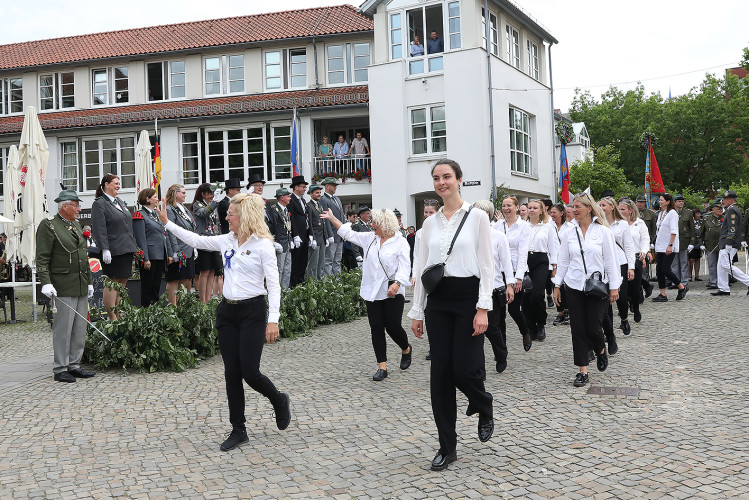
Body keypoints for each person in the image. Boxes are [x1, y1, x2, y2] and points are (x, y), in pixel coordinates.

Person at [158, 193, 291, 451]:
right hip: (227, 314)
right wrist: (167, 223)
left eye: (231, 213)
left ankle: (278, 399)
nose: (227, 217)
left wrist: (273, 320)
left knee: (250, 372)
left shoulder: (263, 245)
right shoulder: (226, 240)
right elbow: (197, 239)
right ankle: (238, 429)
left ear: (245, 216)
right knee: (232, 373)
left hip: (253, 311)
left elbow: (274, 285)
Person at [409, 159, 494, 472]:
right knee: (440, 377)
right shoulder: (427, 226)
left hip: (469, 298)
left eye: (447, 177)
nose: (441, 182)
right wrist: (417, 311)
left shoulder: (478, 218)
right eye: (436, 178)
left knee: (463, 369)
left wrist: (483, 307)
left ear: (459, 179)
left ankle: (483, 404)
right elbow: (420, 271)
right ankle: (448, 446)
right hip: (438, 302)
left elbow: (487, 265)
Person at [321, 208, 412, 381]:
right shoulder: (370, 238)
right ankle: (382, 366)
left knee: (393, 326)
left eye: (375, 222)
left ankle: (406, 348)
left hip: (392, 289)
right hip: (372, 291)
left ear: (385, 224)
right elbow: (348, 234)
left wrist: (398, 283)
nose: (372, 225)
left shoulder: (401, 242)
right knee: (376, 328)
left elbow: (405, 266)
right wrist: (332, 218)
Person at [553, 192, 621, 388]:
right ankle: (582, 370)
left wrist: (614, 287)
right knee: (578, 329)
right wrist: (557, 285)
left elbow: (611, 261)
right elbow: (563, 260)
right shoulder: (567, 233)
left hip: (597, 286)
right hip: (573, 285)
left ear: (589, 208)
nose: (574, 210)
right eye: (573, 207)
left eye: (578, 207)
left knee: (593, 326)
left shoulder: (603, 232)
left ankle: (601, 350)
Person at [37, 190, 95, 383]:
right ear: (65, 206)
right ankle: (60, 367)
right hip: (62, 284)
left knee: (79, 327)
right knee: (63, 328)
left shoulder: (76, 226)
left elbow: (83, 257)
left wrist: (89, 281)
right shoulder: (49, 226)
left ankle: (74, 364)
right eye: (76, 205)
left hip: (79, 283)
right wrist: (45, 282)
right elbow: (43, 257)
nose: (79, 209)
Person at [473, 200, 514, 374]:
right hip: (473, 288)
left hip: (494, 288)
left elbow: (506, 264)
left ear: (487, 216)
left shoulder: (498, 236)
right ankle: (478, 366)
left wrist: (510, 285)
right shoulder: (469, 237)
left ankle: (501, 353)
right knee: (474, 331)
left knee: (491, 328)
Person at [91, 173, 136, 321]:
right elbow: (99, 228)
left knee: (122, 283)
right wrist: (104, 248)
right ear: (106, 185)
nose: (118, 186)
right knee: (112, 283)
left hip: (126, 248)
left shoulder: (119, 202)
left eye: (119, 183)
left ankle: (120, 313)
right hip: (113, 250)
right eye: (115, 183)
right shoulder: (99, 203)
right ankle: (112, 317)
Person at [493, 196, 532, 352]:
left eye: (509, 205)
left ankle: (525, 331)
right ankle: (502, 348)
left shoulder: (524, 227)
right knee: (499, 312)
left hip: (516, 271)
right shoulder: (497, 225)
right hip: (499, 272)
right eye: (503, 205)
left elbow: (523, 253)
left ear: (517, 207)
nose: (506, 208)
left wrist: (518, 277)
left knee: (513, 309)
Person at [599, 197, 635, 347]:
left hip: (620, 263)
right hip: (605, 265)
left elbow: (628, 246)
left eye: (603, 205)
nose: (601, 207)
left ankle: (624, 319)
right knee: (607, 299)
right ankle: (609, 332)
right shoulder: (598, 224)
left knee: (621, 297)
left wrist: (631, 267)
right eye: (599, 205)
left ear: (612, 207)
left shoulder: (622, 224)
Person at [522, 200, 558, 342]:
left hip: (541, 261)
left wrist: (555, 267)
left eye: (535, 208)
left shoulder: (547, 227)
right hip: (524, 261)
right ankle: (530, 328)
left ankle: (541, 324)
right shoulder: (522, 226)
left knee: (537, 294)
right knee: (526, 296)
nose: (531, 210)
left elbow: (553, 247)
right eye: (529, 208)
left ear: (541, 210)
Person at [132, 188, 173, 307]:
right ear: (147, 199)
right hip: (149, 256)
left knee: (156, 286)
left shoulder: (155, 214)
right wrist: (145, 258)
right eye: (155, 197)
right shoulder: (139, 215)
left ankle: (155, 311)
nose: (157, 199)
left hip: (159, 254)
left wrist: (168, 253)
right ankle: (146, 313)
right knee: (147, 287)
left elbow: (164, 234)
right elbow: (140, 238)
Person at [412, 199, 440, 360]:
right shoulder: (420, 233)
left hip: (440, 274)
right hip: (427, 275)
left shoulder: (442, 229)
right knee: (429, 312)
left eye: (431, 212)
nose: (427, 215)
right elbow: (417, 256)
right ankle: (433, 346)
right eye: (426, 212)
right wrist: (415, 275)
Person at [164, 184, 197, 306]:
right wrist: (175, 251)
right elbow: (170, 231)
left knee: (187, 279)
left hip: (188, 249)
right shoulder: (169, 209)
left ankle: (182, 306)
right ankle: (173, 308)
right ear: (175, 194)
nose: (185, 195)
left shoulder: (184, 208)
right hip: (179, 249)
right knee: (174, 280)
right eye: (182, 192)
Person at [712, 190, 749, 295]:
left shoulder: (732, 210)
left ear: (730, 200)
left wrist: (728, 242)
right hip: (726, 241)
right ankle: (724, 288)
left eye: (724, 199)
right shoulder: (730, 209)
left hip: (729, 242)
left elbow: (732, 228)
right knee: (721, 266)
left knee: (726, 265)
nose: (722, 201)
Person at [618, 198, 649, 323]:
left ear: (630, 211)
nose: (620, 211)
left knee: (635, 288)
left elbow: (645, 239)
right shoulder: (617, 224)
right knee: (623, 288)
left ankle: (635, 307)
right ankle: (623, 312)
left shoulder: (640, 223)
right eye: (619, 209)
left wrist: (644, 251)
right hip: (621, 259)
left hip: (636, 257)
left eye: (623, 209)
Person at [652, 193, 687, 302]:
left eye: (662, 200)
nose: (660, 201)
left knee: (666, 269)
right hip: (660, 246)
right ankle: (663, 294)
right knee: (659, 270)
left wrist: (670, 245)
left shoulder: (672, 213)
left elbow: (674, 231)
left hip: (668, 246)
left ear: (667, 202)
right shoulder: (661, 213)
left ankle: (681, 287)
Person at [192, 183, 221, 303]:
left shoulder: (213, 204)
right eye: (209, 193)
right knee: (204, 272)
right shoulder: (197, 204)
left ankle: (208, 299)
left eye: (212, 193)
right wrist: (215, 202)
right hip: (204, 241)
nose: (211, 196)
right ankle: (203, 300)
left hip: (213, 241)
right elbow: (204, 213)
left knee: (212, 272)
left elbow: (217, 223)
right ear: (203, 194)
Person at [549, 203, 572, 326]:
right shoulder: (548, 226)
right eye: (551, 212)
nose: (552, 215)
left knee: (565, 287)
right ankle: (560, 312)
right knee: (556, 286)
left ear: (561, 213)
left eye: (554, 212)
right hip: (552, 262)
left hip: (566, 261)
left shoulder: (570, 227)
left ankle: (567, 311)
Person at [267, 188, 294, 289]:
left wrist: (290, 240)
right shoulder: (274, 209)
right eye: (288, 196)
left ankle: (285, 289)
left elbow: (288, 226)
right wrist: (274, 242)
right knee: (280, 269)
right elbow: (272, 227)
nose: (289, 198)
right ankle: (278, 290)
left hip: (286, 242)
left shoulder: (285, 209)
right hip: (280, 243)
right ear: (282, 198)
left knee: (287, 269)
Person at [288, 175, 312, 287]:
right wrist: (295, 235)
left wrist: (310, 234)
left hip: (305, 234)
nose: (304, 189)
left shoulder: (303, 200)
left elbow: (307, 217)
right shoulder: (291, 200)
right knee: (296, 262)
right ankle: (294, 284)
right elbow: (291, 219)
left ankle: (301, 283)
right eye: (303, 187)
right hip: (297, 235)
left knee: (303, 261)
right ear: (296, 187)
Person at [319, 177, 345, 276]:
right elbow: (326, 219)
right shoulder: (323, 200)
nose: (335, 187)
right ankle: (328, 283)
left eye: (335, 186)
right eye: (333, 185)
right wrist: (329, 235)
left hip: (340, 234)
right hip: (332, 235)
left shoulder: (337, 199)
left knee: (337, 260)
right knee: (329, 261)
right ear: (327, 186)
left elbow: (342, 215)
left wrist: (344, 230)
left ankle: (337, 282)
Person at [671, 194, 695, 290]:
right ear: (675, 202)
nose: (681, 203)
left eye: (682, 201)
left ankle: (684, 282)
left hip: (684, 241)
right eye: (679, 201)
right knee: (674, 264)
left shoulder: (688, 213)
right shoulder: (671, 212)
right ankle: (675, 282)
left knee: (684, 263)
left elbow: (692, 228)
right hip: (673, 241)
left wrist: (692, 242)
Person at [306, 185, 329, 280]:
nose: (319, 194)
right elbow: (310, 223)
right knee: (313, 264)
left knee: (321, 263)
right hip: (315, 237)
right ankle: (311, 284)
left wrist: (326, 236)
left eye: (320, 192)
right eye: (317, 192)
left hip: (322, 238)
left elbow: (324, 223)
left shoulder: (320, 205)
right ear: (311, 194)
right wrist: (312, 238)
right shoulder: (309, 206)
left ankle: (320, 283)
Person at [699, 201, 723, 289]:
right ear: (713, 209)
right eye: (718, 209)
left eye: (721, 209)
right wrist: (701, 244)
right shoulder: (707, 219)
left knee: (722, 265)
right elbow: (701, 233)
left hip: (722, 245)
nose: (720, 210)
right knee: (712, 264)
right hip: (710, 245)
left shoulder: (725, 218)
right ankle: (713, 281)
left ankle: (722, 281)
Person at [688, 209, 703, 281]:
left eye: (699, 214)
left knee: (698, 259)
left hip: (698, 242)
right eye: (697, 214)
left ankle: (697, 275)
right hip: (691, 242)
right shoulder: (690, 222)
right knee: (691, 260)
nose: (699, 215)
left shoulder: (701, 222)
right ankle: (689, 275)